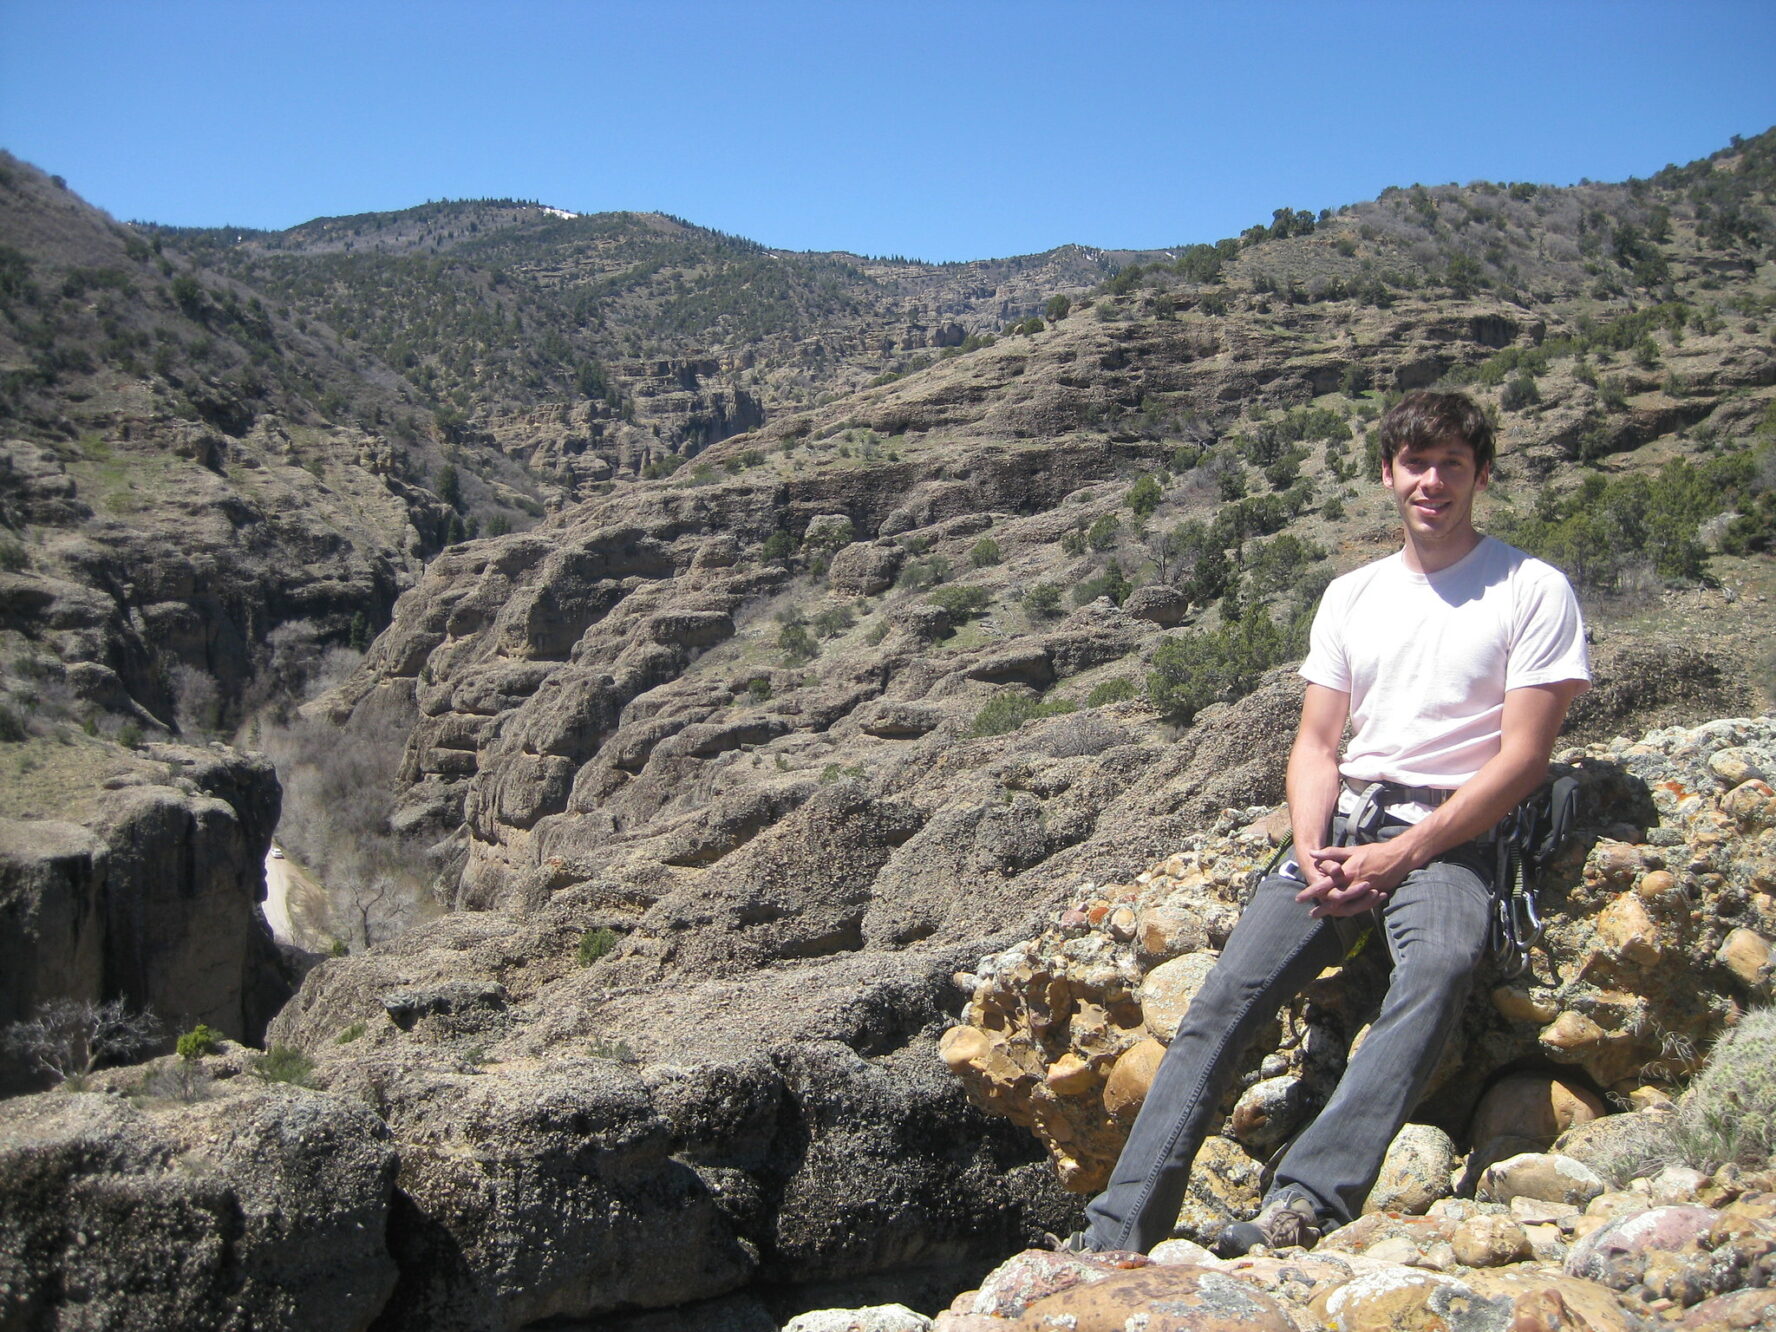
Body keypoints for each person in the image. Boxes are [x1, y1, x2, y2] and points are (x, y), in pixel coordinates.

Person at [1070, 389, 1590, 1256]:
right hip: (1343, 829)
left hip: (1451, 838)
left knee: (1442, 964)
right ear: (1389, 475)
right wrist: (1314, 849)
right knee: (1224, 1003)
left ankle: (1304, 1202)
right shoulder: (1353, 595)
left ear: (1481, 475)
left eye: (1452, 464)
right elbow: (1316, 743)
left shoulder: (1532, 590)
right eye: (1416, 464)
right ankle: (1116, 1231)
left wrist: (1405, 853)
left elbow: (1523, 758)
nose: (1433, 481)